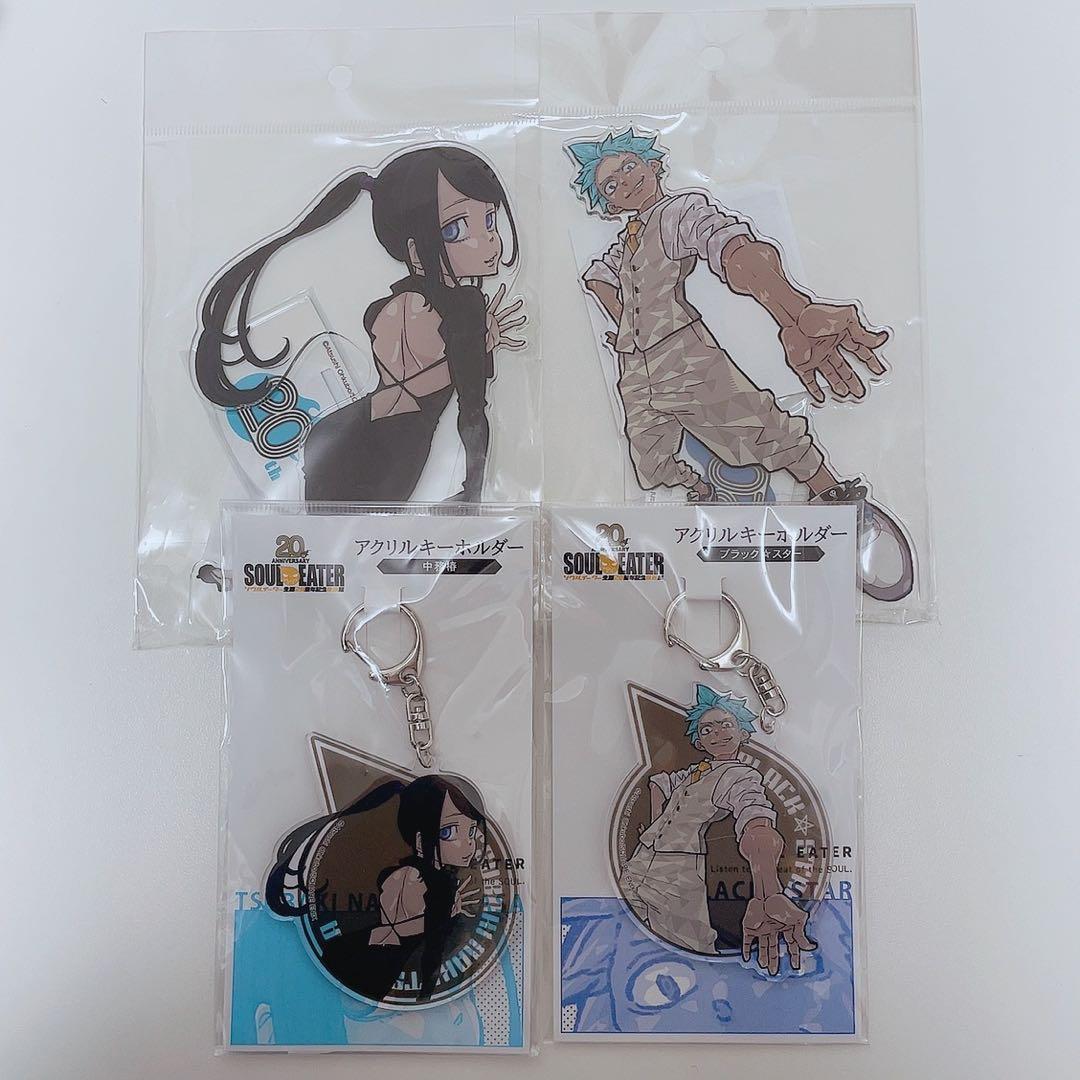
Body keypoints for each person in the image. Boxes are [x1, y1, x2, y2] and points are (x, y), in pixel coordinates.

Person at [568, 128, 914, 602]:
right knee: (651, 463)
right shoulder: (622, 245)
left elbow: (733, 251)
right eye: (610, 183)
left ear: (653, 165)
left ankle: (833, 496)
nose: (623, 181)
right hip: (635, 369)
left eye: (629, 166)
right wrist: (626, 324)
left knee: (758, 424)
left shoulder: (679, 212)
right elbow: (599, 278)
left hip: (682, 353)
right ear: (606, 203)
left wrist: (792, 308)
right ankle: (706, 499)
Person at [195, 146, 526, 502]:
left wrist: (477, 343)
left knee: (319, 533)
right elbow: (472, 411)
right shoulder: (467, 310)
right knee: (349, 536)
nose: (489, 239)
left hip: (338, 431)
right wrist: (472, 491)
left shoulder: (394, 304)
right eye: (456, 229)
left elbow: (421, 368)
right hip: (393, 453)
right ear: (415, 252)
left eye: (489, 220)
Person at [619, 684, 814, 974]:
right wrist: (655, 824)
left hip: (679, 872)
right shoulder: (697, 772)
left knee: (689, 948)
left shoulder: (740, 775)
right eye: (707, 729)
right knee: (628, 941)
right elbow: (660, 782)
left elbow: (755, 817)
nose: (717, 734)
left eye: (726, 725)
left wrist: (768, 892)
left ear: (742, 733)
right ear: (699, 742)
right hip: (640, 863)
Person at [265, 774, 486, 1004]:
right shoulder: (410, 878)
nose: (468, 844)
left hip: (384, 973)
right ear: (420, 842)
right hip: (366, 963)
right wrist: (446, 915)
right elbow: (396, 929)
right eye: (449, 832)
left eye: (471, 831)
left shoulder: (442, 882)